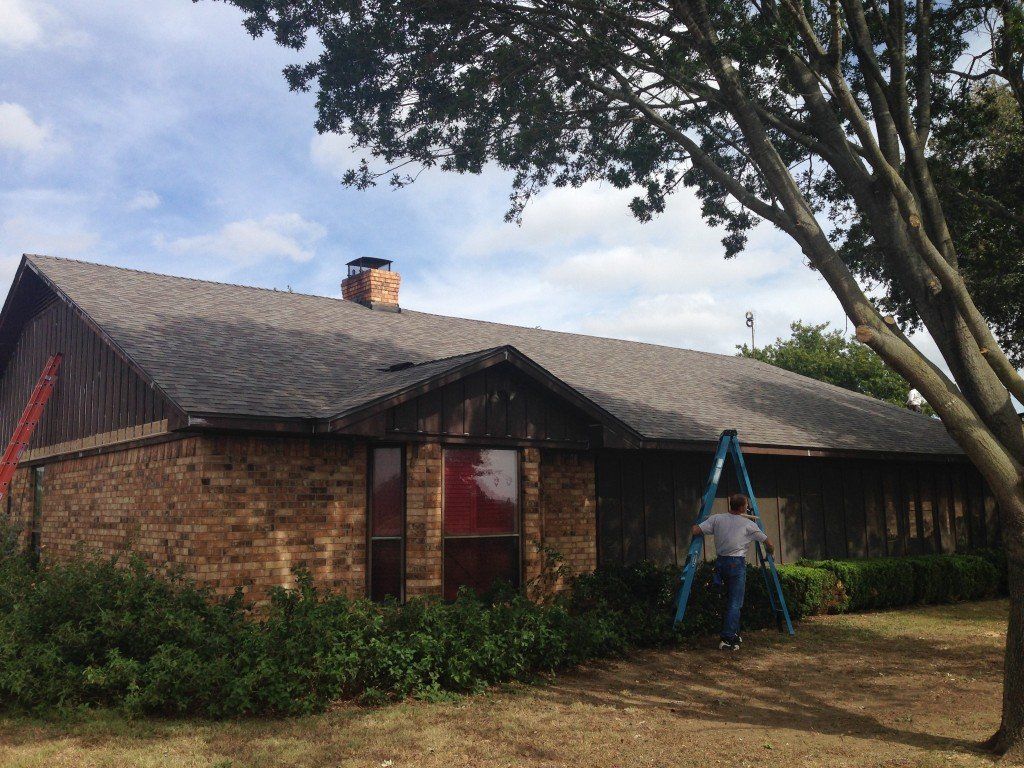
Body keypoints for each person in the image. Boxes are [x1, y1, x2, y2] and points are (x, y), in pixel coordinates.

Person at [691, 493, 775, 651]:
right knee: (735, 603)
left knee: (730, 601)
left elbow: (695, 530)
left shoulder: (717, 519)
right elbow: (768, 542)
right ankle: (727, 638)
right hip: (736, 564)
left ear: (731, 505)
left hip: (721, 563)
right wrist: (771, 552)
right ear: (743, 507)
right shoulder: (748, 524)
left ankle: (733, 633)